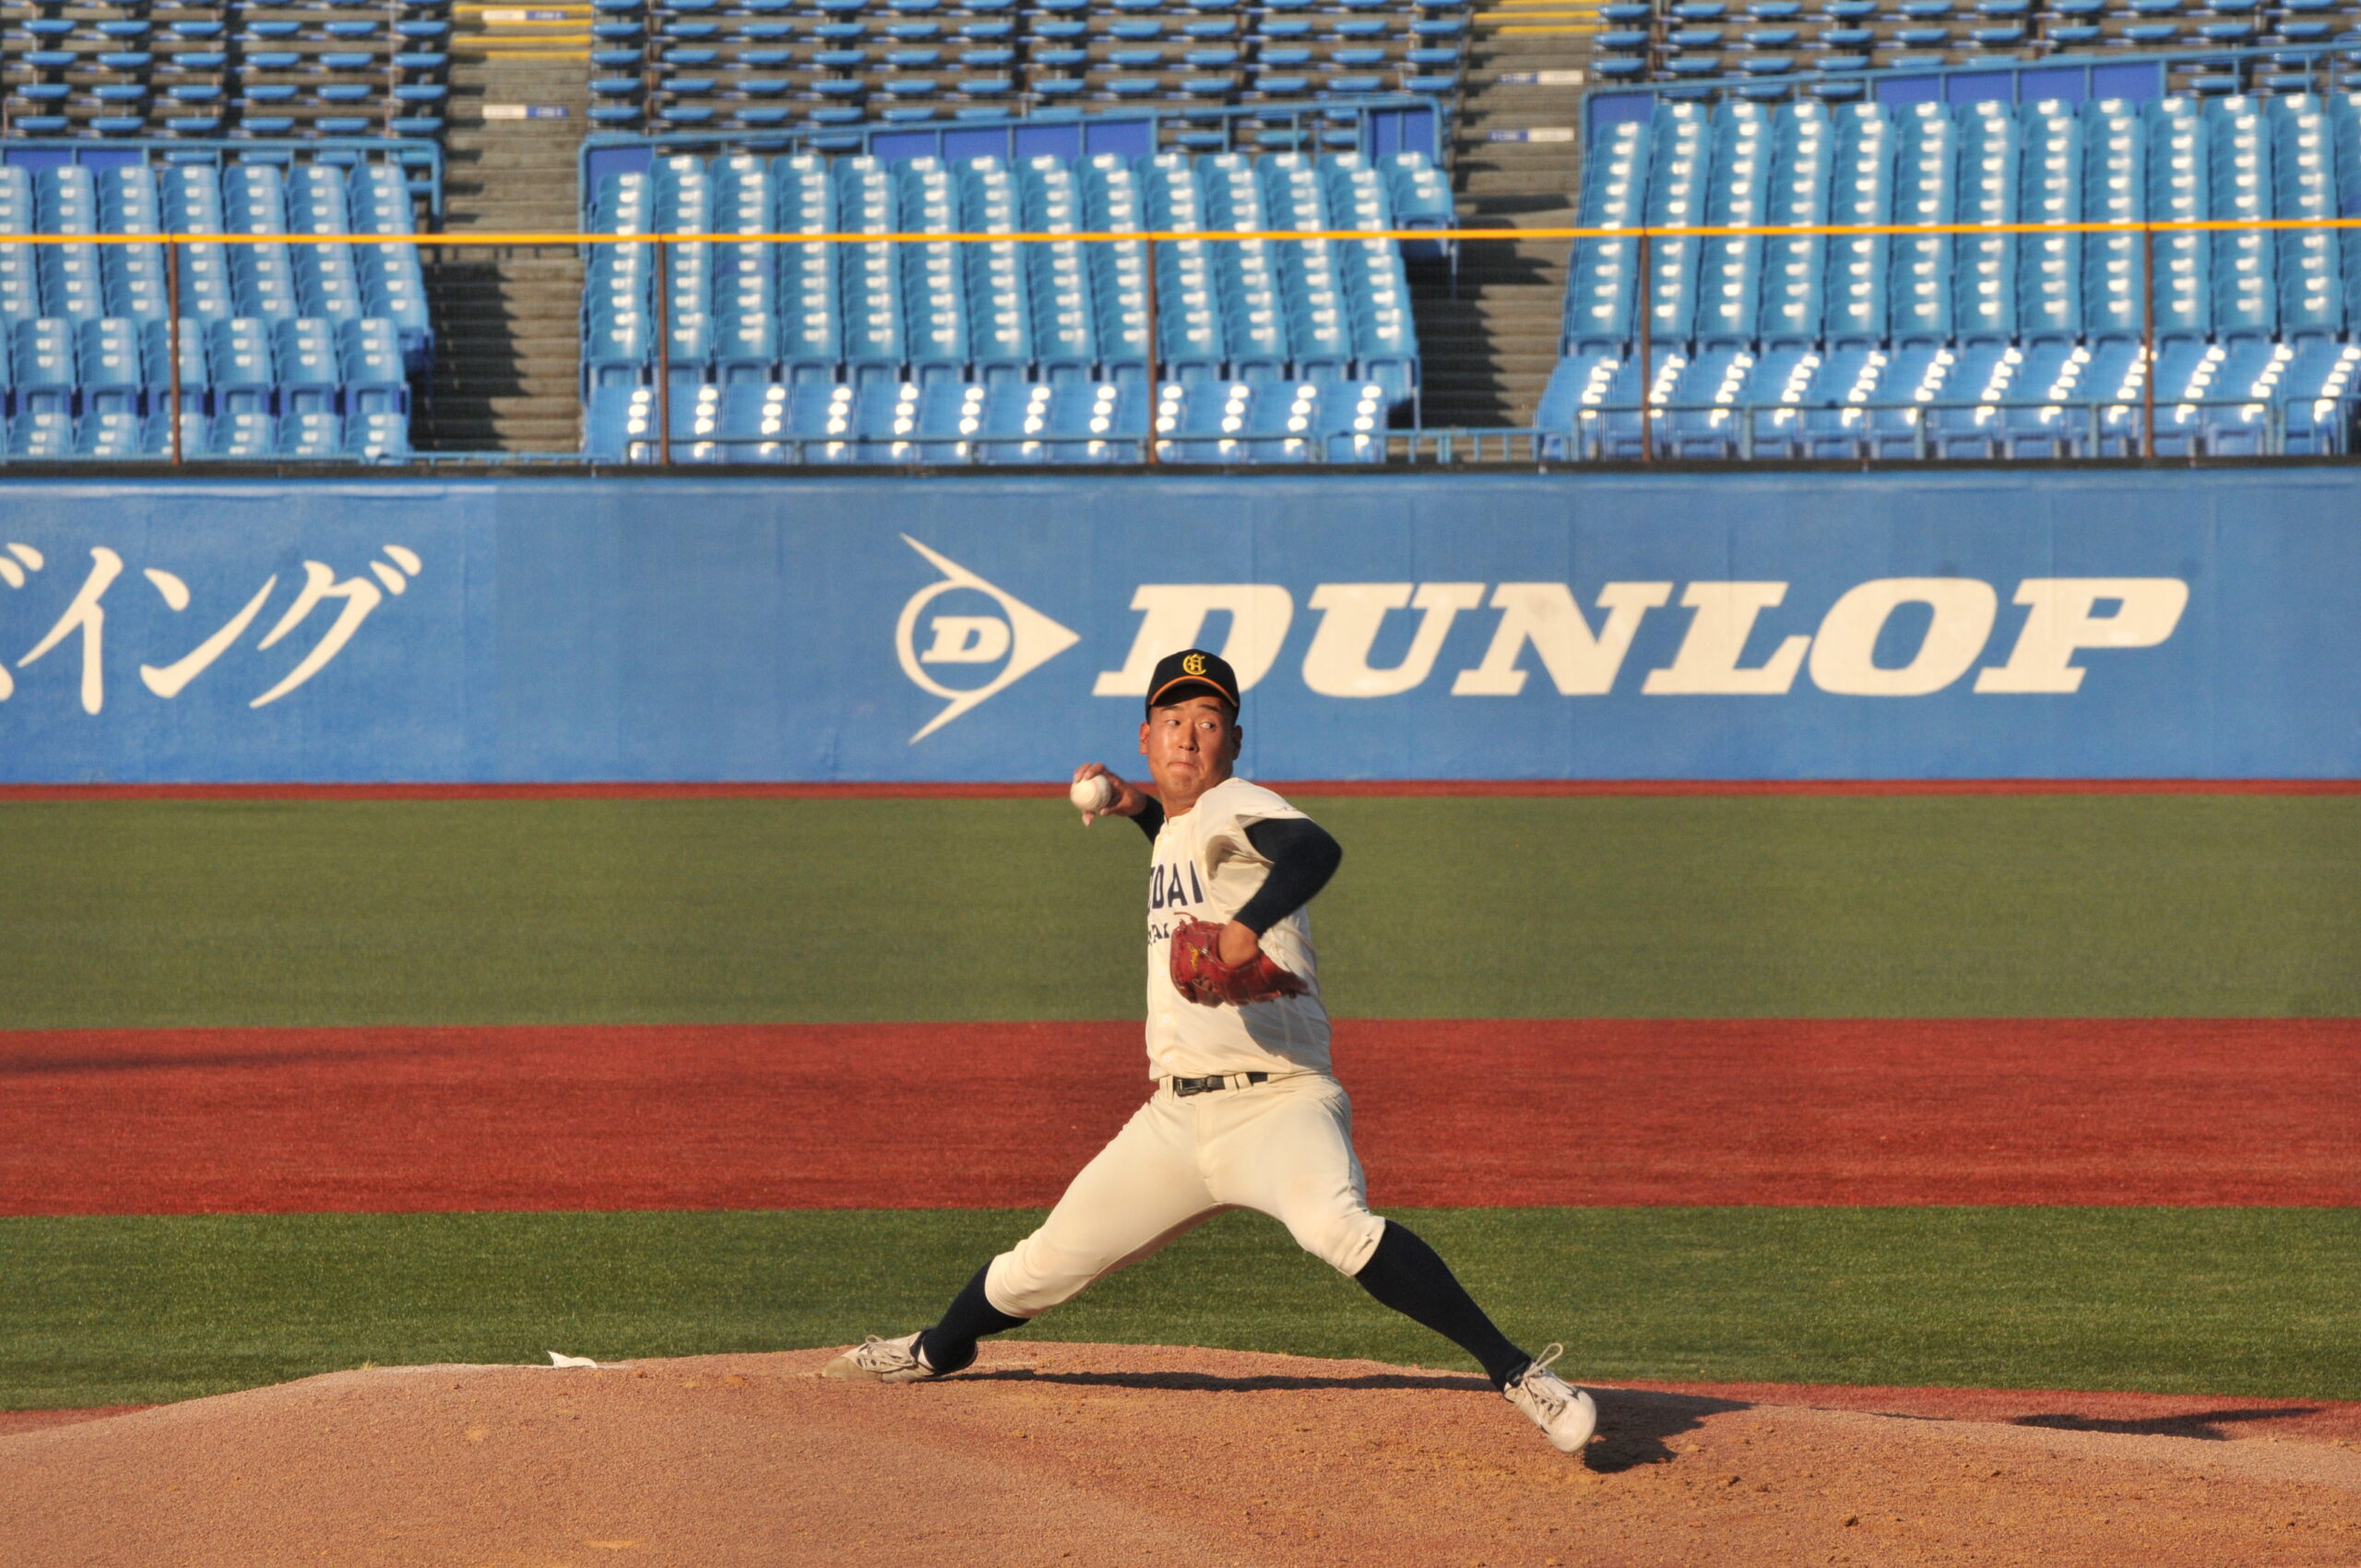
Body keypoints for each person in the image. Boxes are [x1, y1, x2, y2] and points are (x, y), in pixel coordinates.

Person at [823, 647, 1596, 1455]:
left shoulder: (1236, 801)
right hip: (1173, 1122)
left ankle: (1520, 1375)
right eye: (1173, 719)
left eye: (1209, 721)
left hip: (1278, 1104)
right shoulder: (1183, 822)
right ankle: (935, 1349)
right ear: (1146, 738)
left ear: (1234, 742)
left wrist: (1245, 927)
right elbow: (1184, 841)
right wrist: (1137, 808)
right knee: (1039, 1266)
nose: (1189, 736)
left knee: (1338, 1228)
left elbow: (1314, 850)